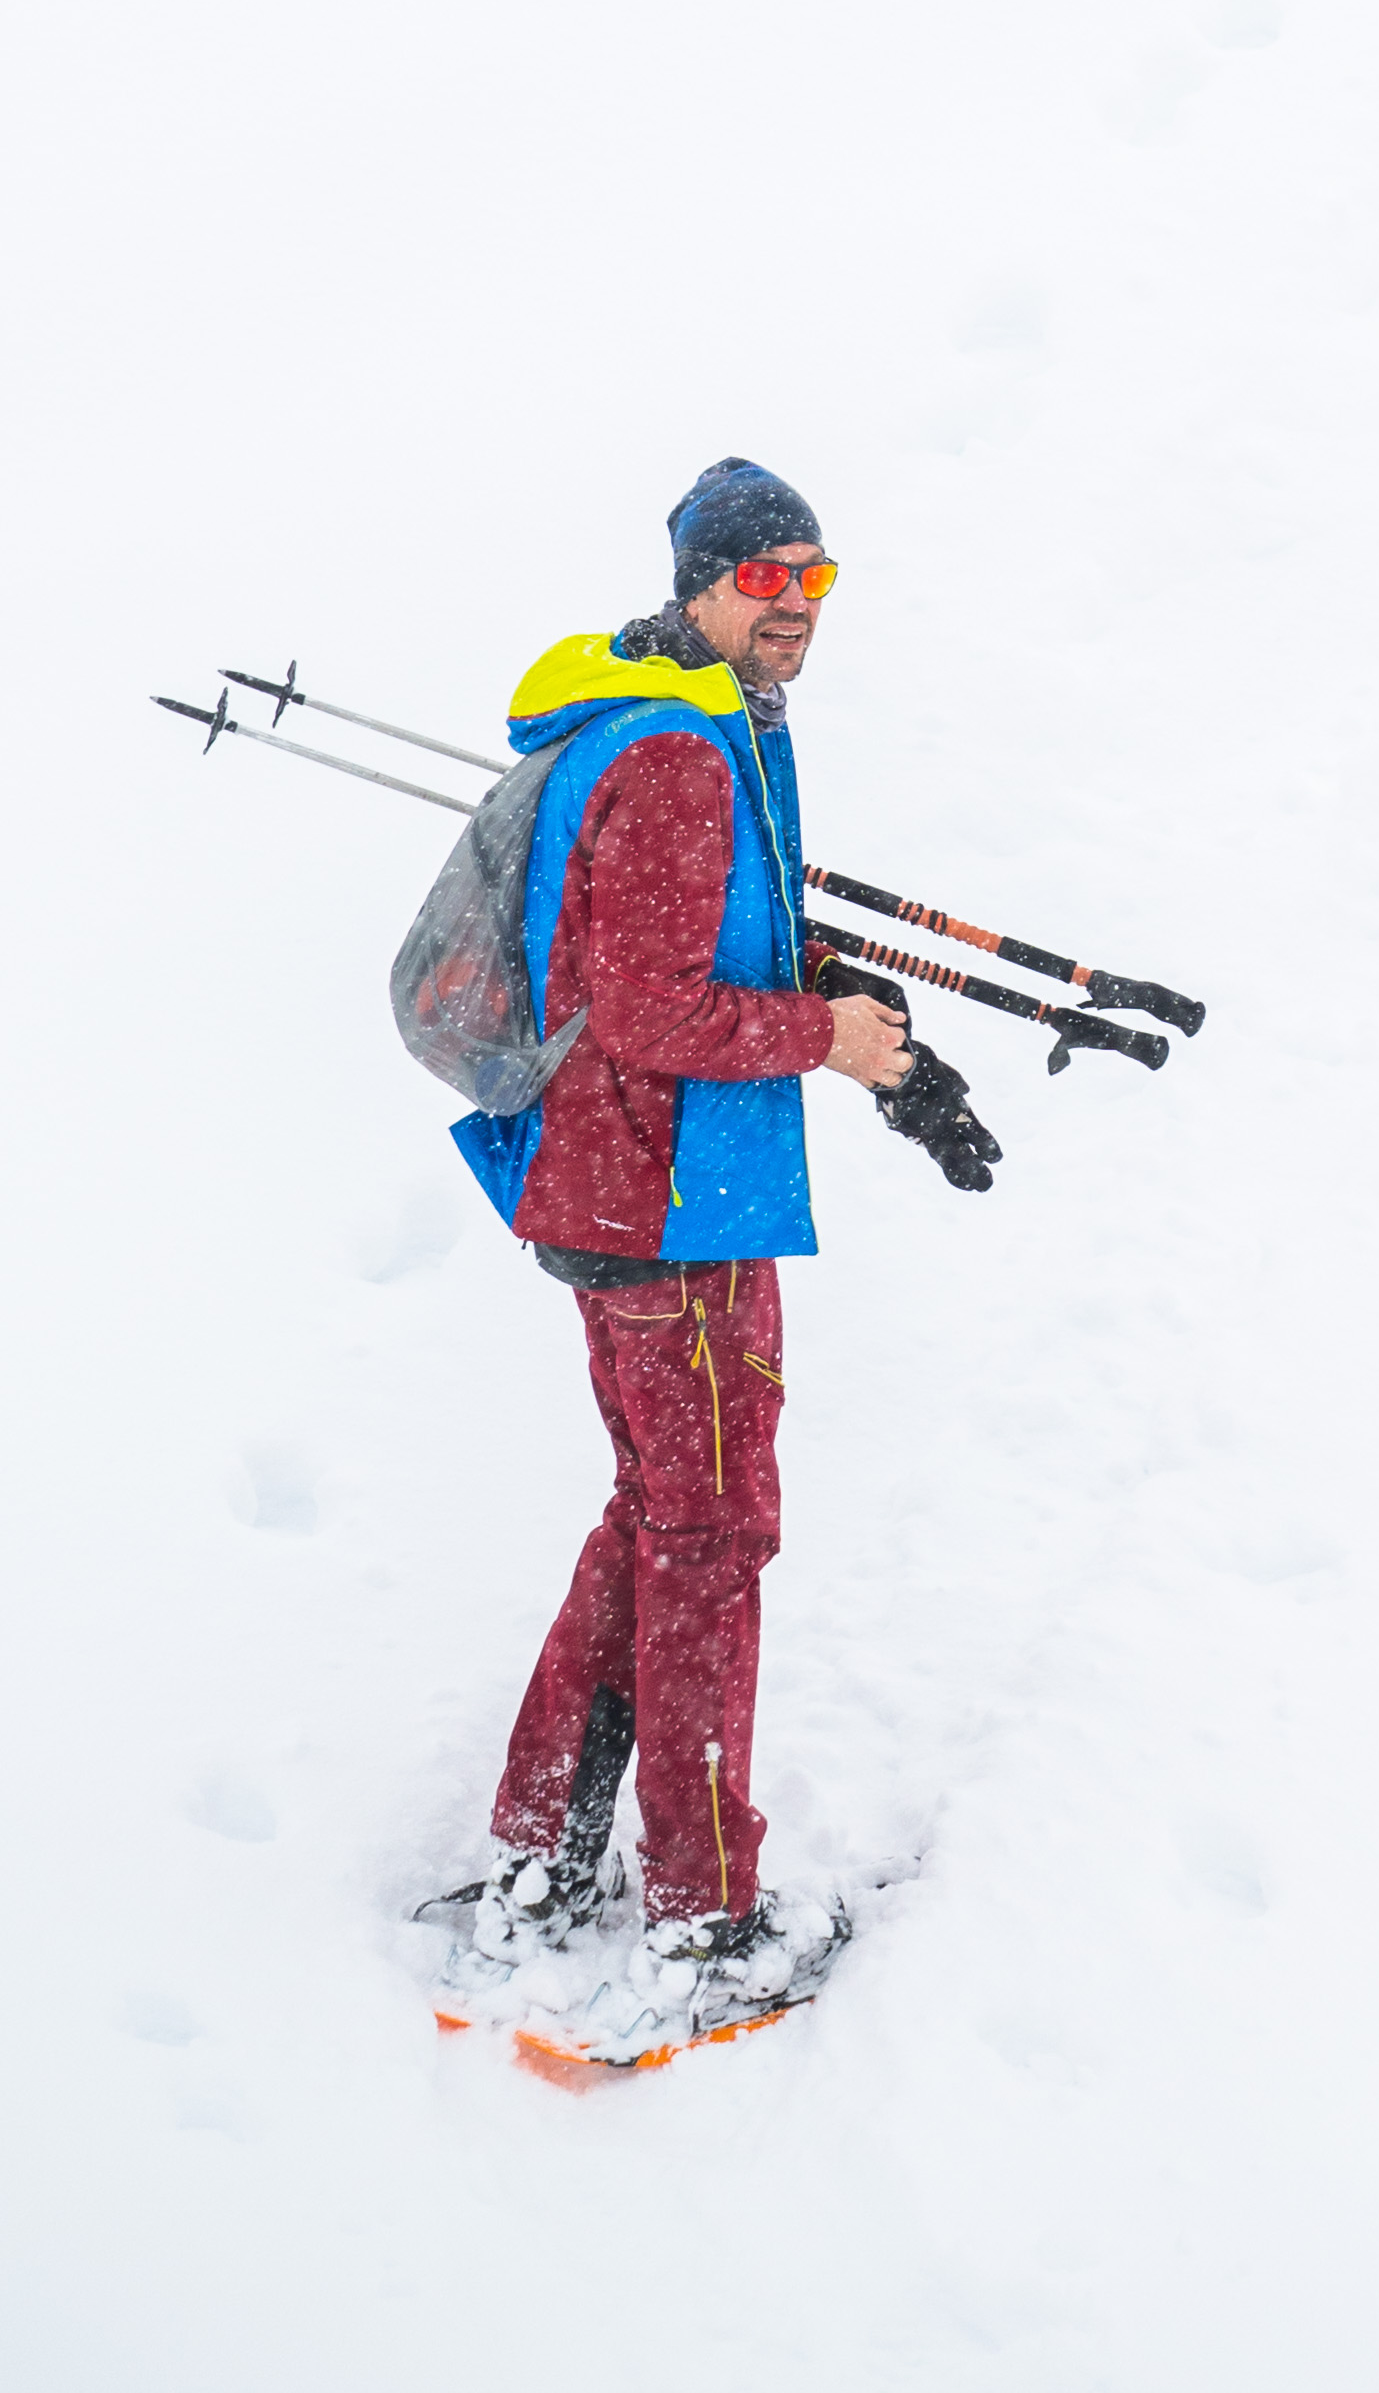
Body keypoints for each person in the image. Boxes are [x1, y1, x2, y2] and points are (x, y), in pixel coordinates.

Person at [439, 456, 997, 2025]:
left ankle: (540, 1850)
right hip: (670, 1207)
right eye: (765, 579)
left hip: (625, 1191)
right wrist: (830, 1039)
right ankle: (698, 1914)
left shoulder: (666, 722)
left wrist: (853, 1031)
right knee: (713, 1536)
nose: (794, 608)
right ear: (700, 586)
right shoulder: (683, 758)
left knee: (661, 1512)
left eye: (816, 578)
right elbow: (652, 1008)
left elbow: (689, 952)